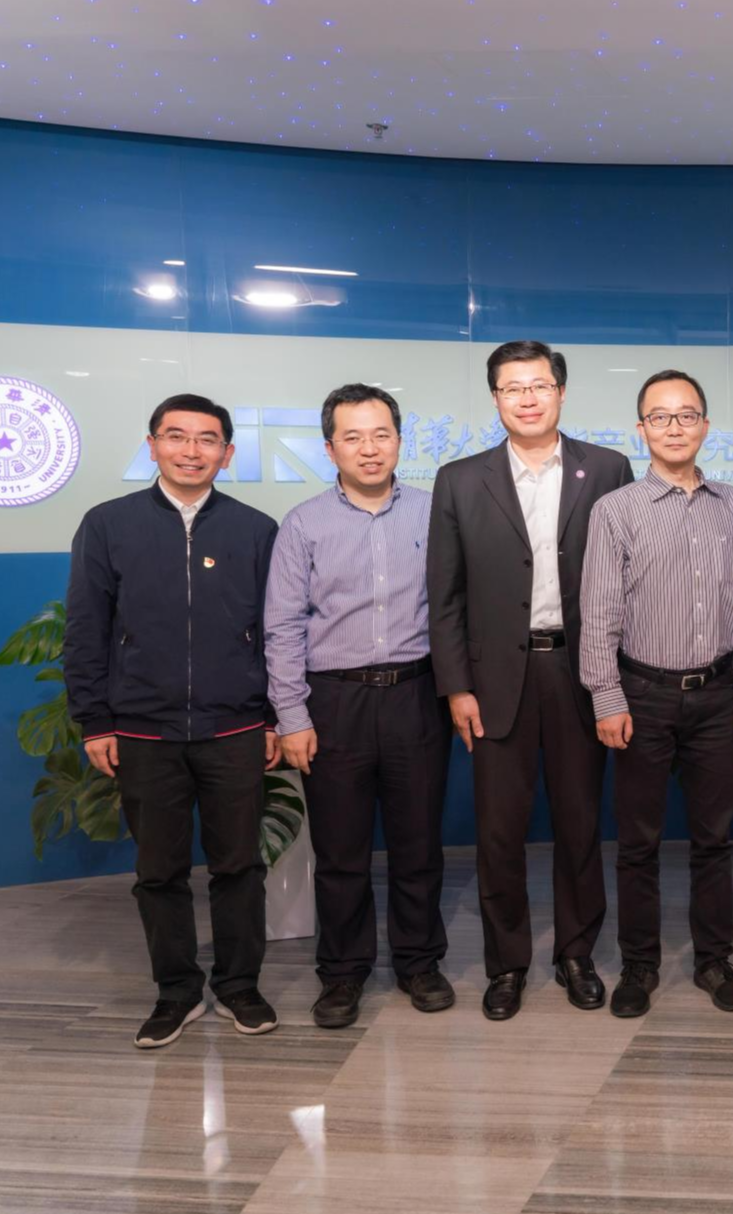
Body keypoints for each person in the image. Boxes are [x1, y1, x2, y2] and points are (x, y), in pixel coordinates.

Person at [63, 393, 282, 1048]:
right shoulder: (108, 524)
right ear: (152, 444)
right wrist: (94, 720)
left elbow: (277, 631)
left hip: (235, 729)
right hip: (143, 731)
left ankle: (239, 986)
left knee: (238, 867)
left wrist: (274, 715)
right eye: (177, 436)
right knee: (159, 872)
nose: (192, 451)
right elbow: (86, 628)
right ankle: (176, 991)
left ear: (228, 453)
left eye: (207, 439)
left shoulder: (255, 529)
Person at [427, 340, 635, 1021]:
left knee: (580, 825)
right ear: (495, 398)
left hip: (580, 671)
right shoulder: (460, 479)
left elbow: (626, 579)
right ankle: (507, 965)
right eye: (512, 387)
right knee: (498, 832)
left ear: (561, 392)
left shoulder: (607, 469)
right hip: (494, 682)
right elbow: (445, 595)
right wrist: (457, 687)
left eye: (539, 385)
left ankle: (576, 954)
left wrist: (615, 681)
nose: (527, 398)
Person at [264, 384, 454, 1030]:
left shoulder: (434, 514)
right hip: (334, 702)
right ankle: (342, 973)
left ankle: (419, 962)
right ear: (330, 448)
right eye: (353, 437)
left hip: (416, 696)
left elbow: (456, 609)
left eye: (381, 435)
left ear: (399, 441)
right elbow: (282, 627)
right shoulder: (303, 524)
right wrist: (292, 717)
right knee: (341, 851)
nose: (369, 449)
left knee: (418, 844)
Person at [578, 370, 733, 1018]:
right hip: (642, 695)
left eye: (686, 415)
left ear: (705, 426)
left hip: (715, 695)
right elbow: (599, 612)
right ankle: (639, 965)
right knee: (638, 842)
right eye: (660, 417)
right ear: (641, 429)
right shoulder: (616, 510)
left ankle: (713, 960)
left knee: (714, 839)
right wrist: (607, 697)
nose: (674, 427)